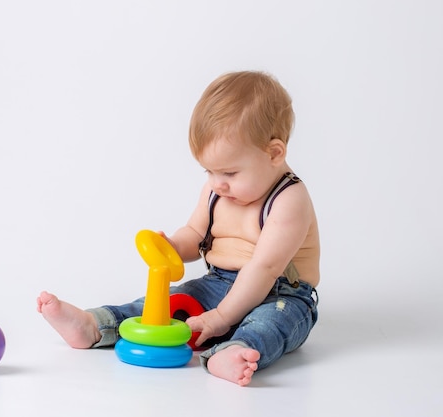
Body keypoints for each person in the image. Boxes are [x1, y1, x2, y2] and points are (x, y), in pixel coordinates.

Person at [37, 71, 320, 387]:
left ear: (274, 153)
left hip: (279, 292)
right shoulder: (217, 190)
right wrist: (171, 246)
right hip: (219, 283)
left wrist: (221, 318)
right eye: (208, 171)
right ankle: (96, 324)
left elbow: (264, 268)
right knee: (171, 300)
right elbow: (195, 235)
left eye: (229, 172)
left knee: (272, 323)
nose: (217, 183)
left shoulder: (289, 200)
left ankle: (234, 350)